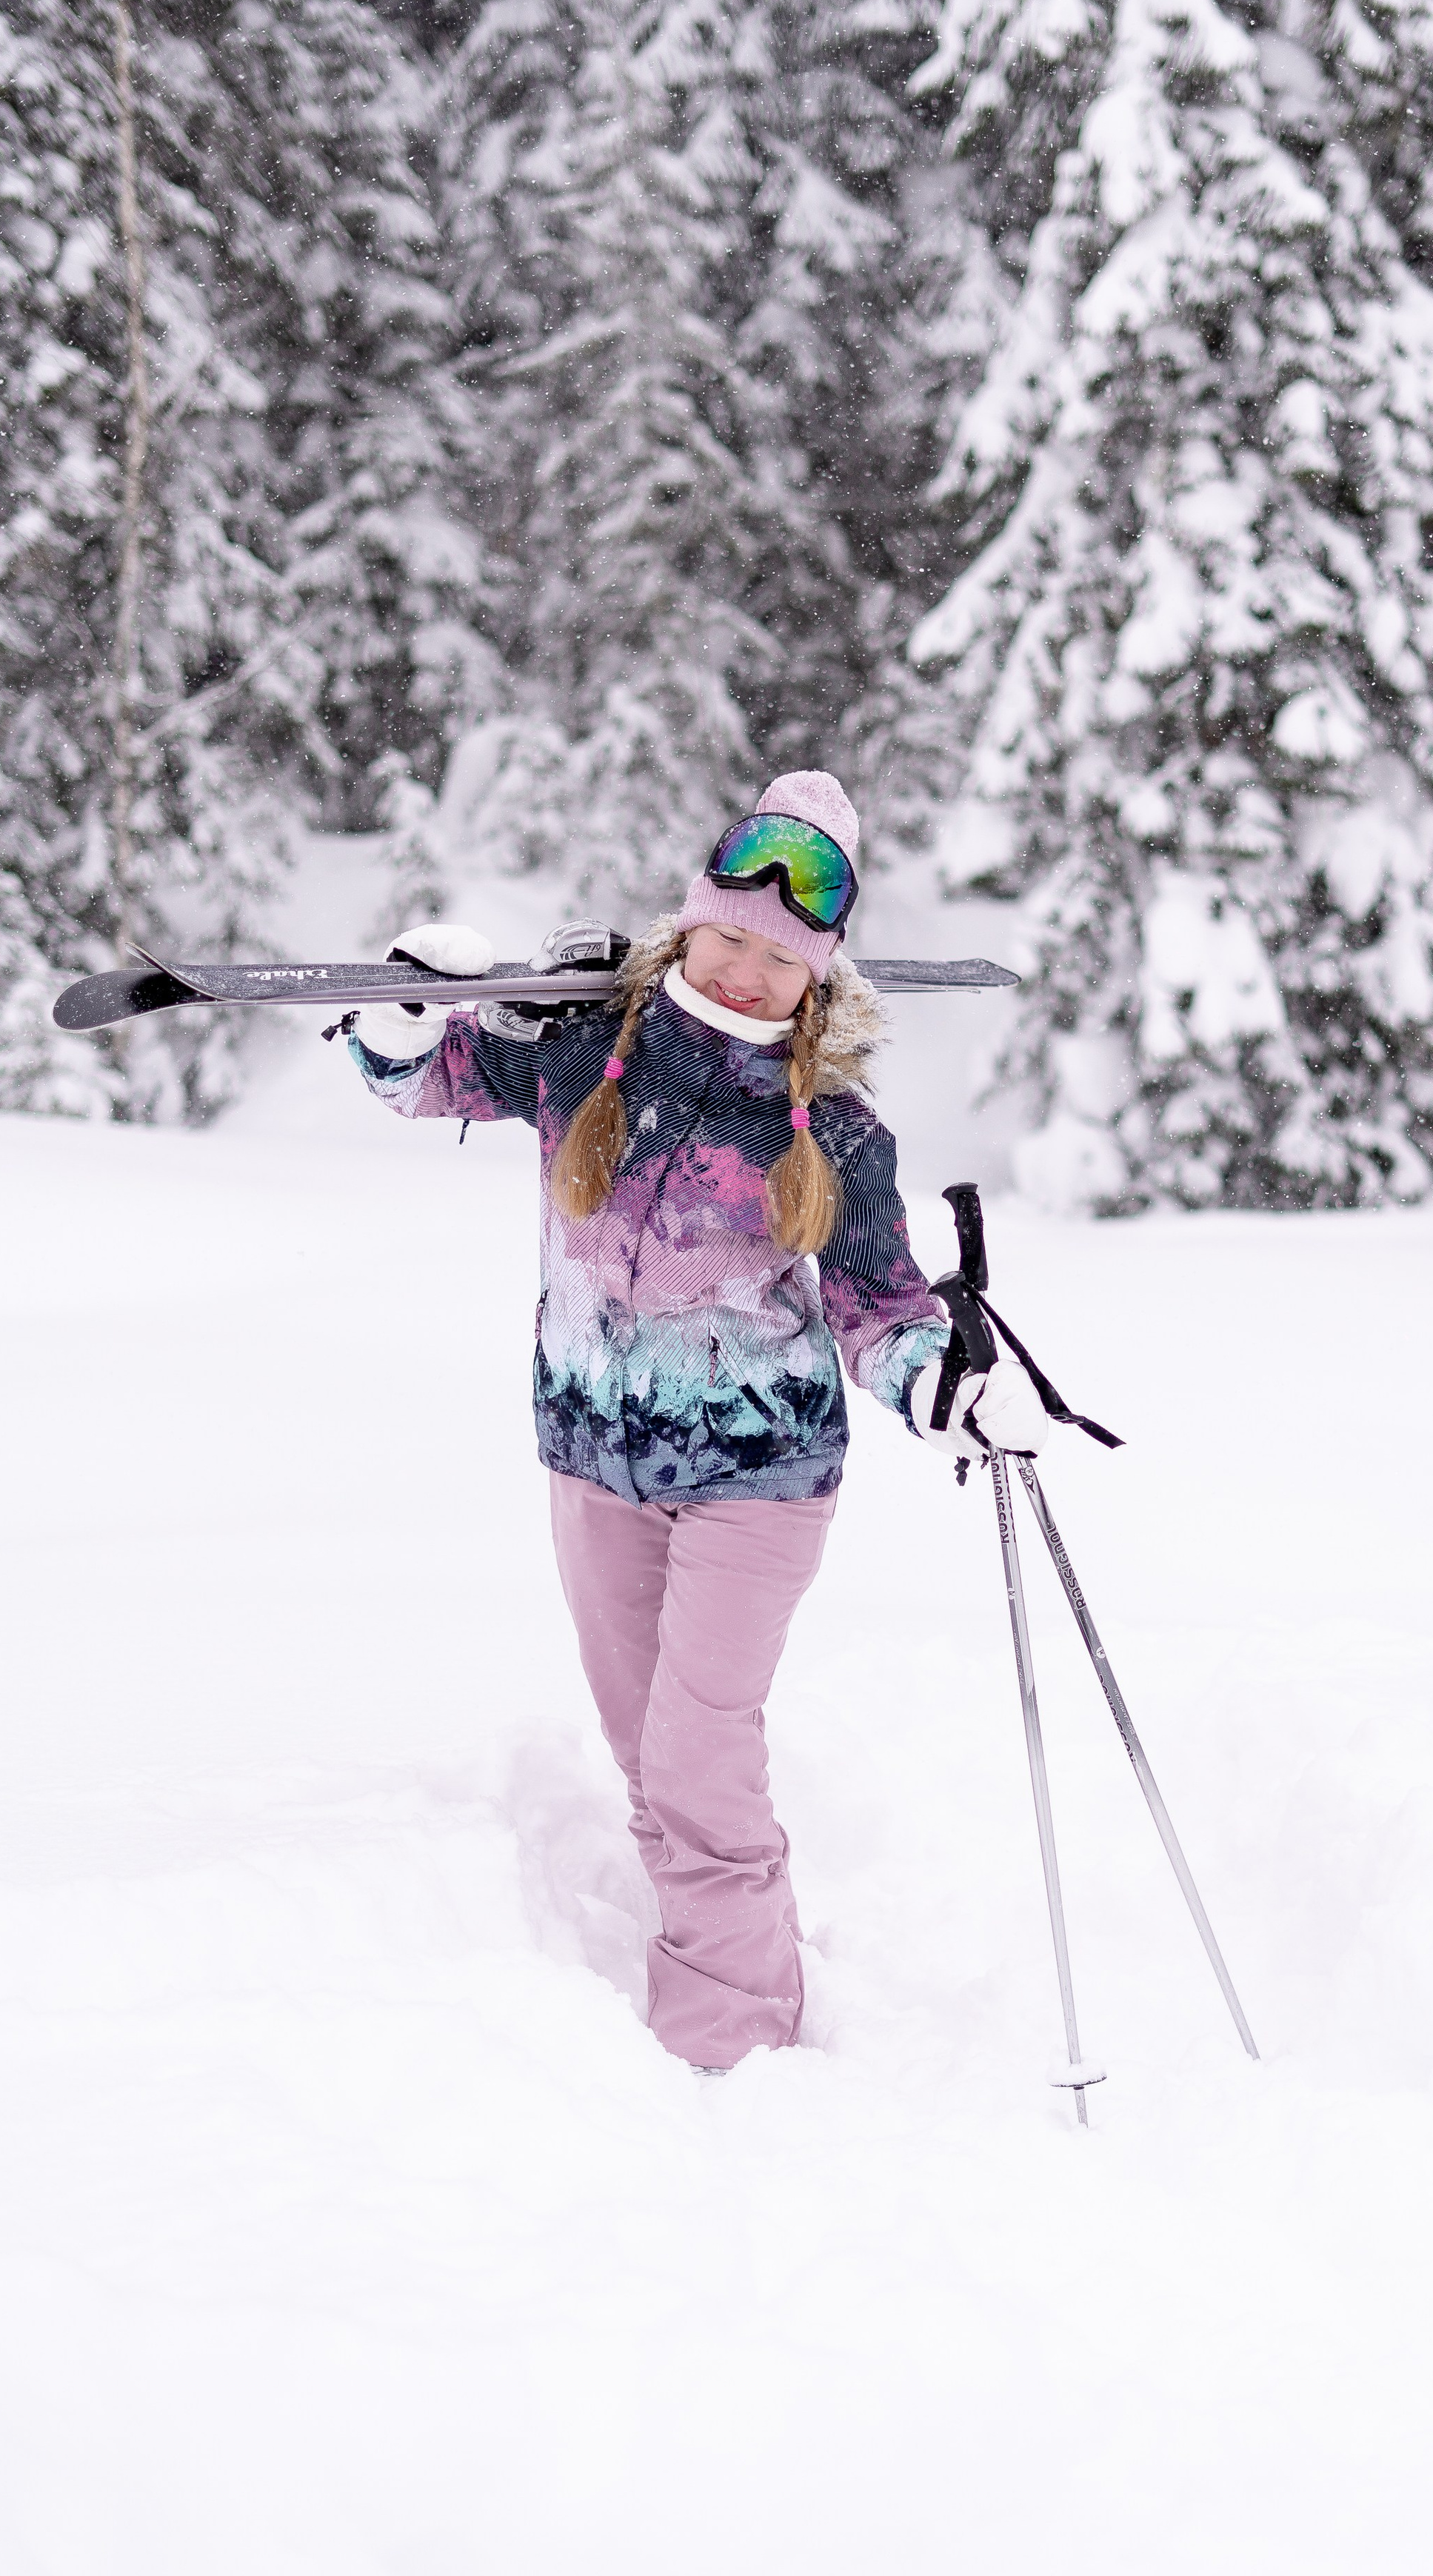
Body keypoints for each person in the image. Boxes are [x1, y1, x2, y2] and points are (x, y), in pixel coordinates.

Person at [347, 772, 1047, 2072]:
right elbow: (427, 1077)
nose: (743, 971)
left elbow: (881, 1310)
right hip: (591, 1454)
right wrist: (397, 1026)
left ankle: (730, 2043)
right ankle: (737, 1943)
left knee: (697, 1747)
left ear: (819, 979)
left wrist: (944, 1386)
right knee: (646, 1751)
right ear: (689, 923)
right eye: (728, 935)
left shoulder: (833, 1131)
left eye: (780, 958)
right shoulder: (579, 1043)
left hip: (760, 1478)